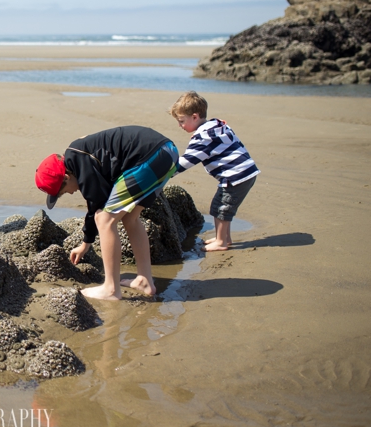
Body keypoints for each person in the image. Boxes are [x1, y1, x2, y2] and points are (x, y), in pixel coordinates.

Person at [35, 126, 179, 301]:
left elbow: (96, 206)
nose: (71, 193)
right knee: (130, 218)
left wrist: (86, 242)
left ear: (66, 177)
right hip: (167, 153)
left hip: (151, 157)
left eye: (63, 192)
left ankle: (111, 289)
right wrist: (86, 243)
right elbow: (97, 200)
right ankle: (144, 280)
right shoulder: (79, 156)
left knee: (104, 219)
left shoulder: (79, 160)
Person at [169, 91, 259, 251]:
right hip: (245, 171)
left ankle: (221, 242)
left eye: (182, 121)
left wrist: (165, 173)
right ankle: (225, 238)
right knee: (223, 206)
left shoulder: (203, 138)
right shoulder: (216, 126)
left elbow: (186, 161)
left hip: (236, 175)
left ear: (195, 117)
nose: (180, 126)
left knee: (221, 207)